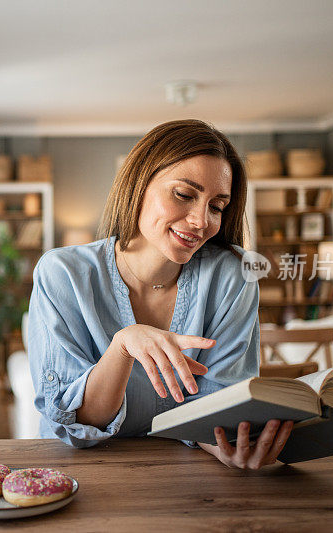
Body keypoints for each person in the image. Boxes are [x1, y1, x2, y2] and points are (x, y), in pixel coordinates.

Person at [26, 119, 293, 469]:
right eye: (184, 194)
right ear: (138, 184)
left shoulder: (233, 275)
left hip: (188, 477)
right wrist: (123, 346)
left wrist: (228, 449)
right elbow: (78, 423)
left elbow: (217, 408)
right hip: (80, 476)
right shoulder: (63, 274)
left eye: (217, 206)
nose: (201, 221)